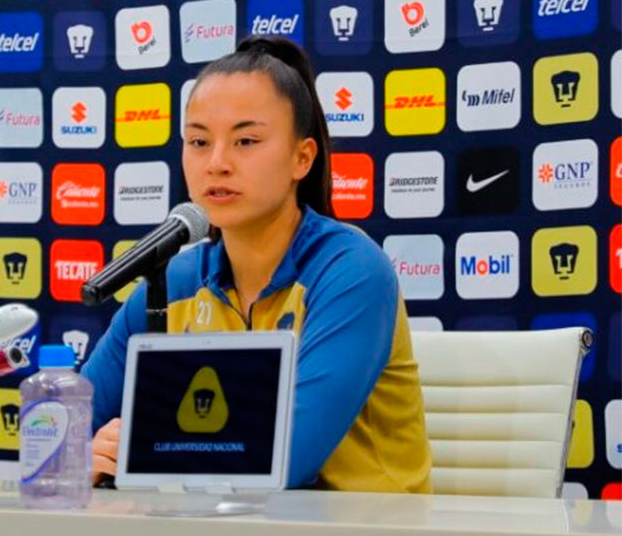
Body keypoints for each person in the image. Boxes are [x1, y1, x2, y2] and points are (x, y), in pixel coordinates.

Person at [81, 36, 432, 493]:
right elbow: (60, 425)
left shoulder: (351, 272)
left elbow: (286, 460)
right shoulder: (175, 281)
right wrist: (79, 457)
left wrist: (143, 448)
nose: (218, 163)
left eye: (246, 140)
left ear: (302, 158)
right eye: (199, 141)